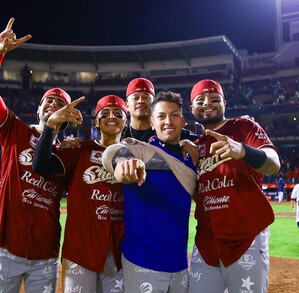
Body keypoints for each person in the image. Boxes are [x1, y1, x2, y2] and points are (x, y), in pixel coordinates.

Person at [188, 79, 281, 293]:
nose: (207, 103)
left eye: (214, 99)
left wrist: (243, 150)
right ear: (192, 108)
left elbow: (273, 163)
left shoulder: (244, 126)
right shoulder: (195, 146)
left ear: (224, 103)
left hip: (245, 236)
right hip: (207, 241)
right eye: (200, 100)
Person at [102, 91, 197, 292]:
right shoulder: (140, 151)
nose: (168, 121)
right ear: (152, 123)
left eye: (174, 115)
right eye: (161, 116)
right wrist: (123, 167)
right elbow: (114, 154)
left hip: (179, 265)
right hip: (142, 263)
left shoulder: (191, 159)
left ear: (183, 120)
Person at [33, 95, 127, 292]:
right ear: (96, 122)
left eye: (118, 114)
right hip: (80, 252)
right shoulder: (79, 150)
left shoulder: (133, 154)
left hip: (118, 253)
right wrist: (50, 127)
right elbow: (40, 165)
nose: (112, 117)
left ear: (126, 122)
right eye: (105, 114)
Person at [0, 86, 73, 292]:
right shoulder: (15, 130)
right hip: (5, 248)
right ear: (39, 108)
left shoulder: (67, 153)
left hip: (45, 255)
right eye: (48, 101)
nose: (54, 105)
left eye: (60, 104)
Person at [122, 77, 199, 142]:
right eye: (135, 98)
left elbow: (201, 142)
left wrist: (186, 142)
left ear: (154, 104)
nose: (141, 101)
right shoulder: (120, 136)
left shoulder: (172, 132)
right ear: (127, 106)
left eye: (146, 97)